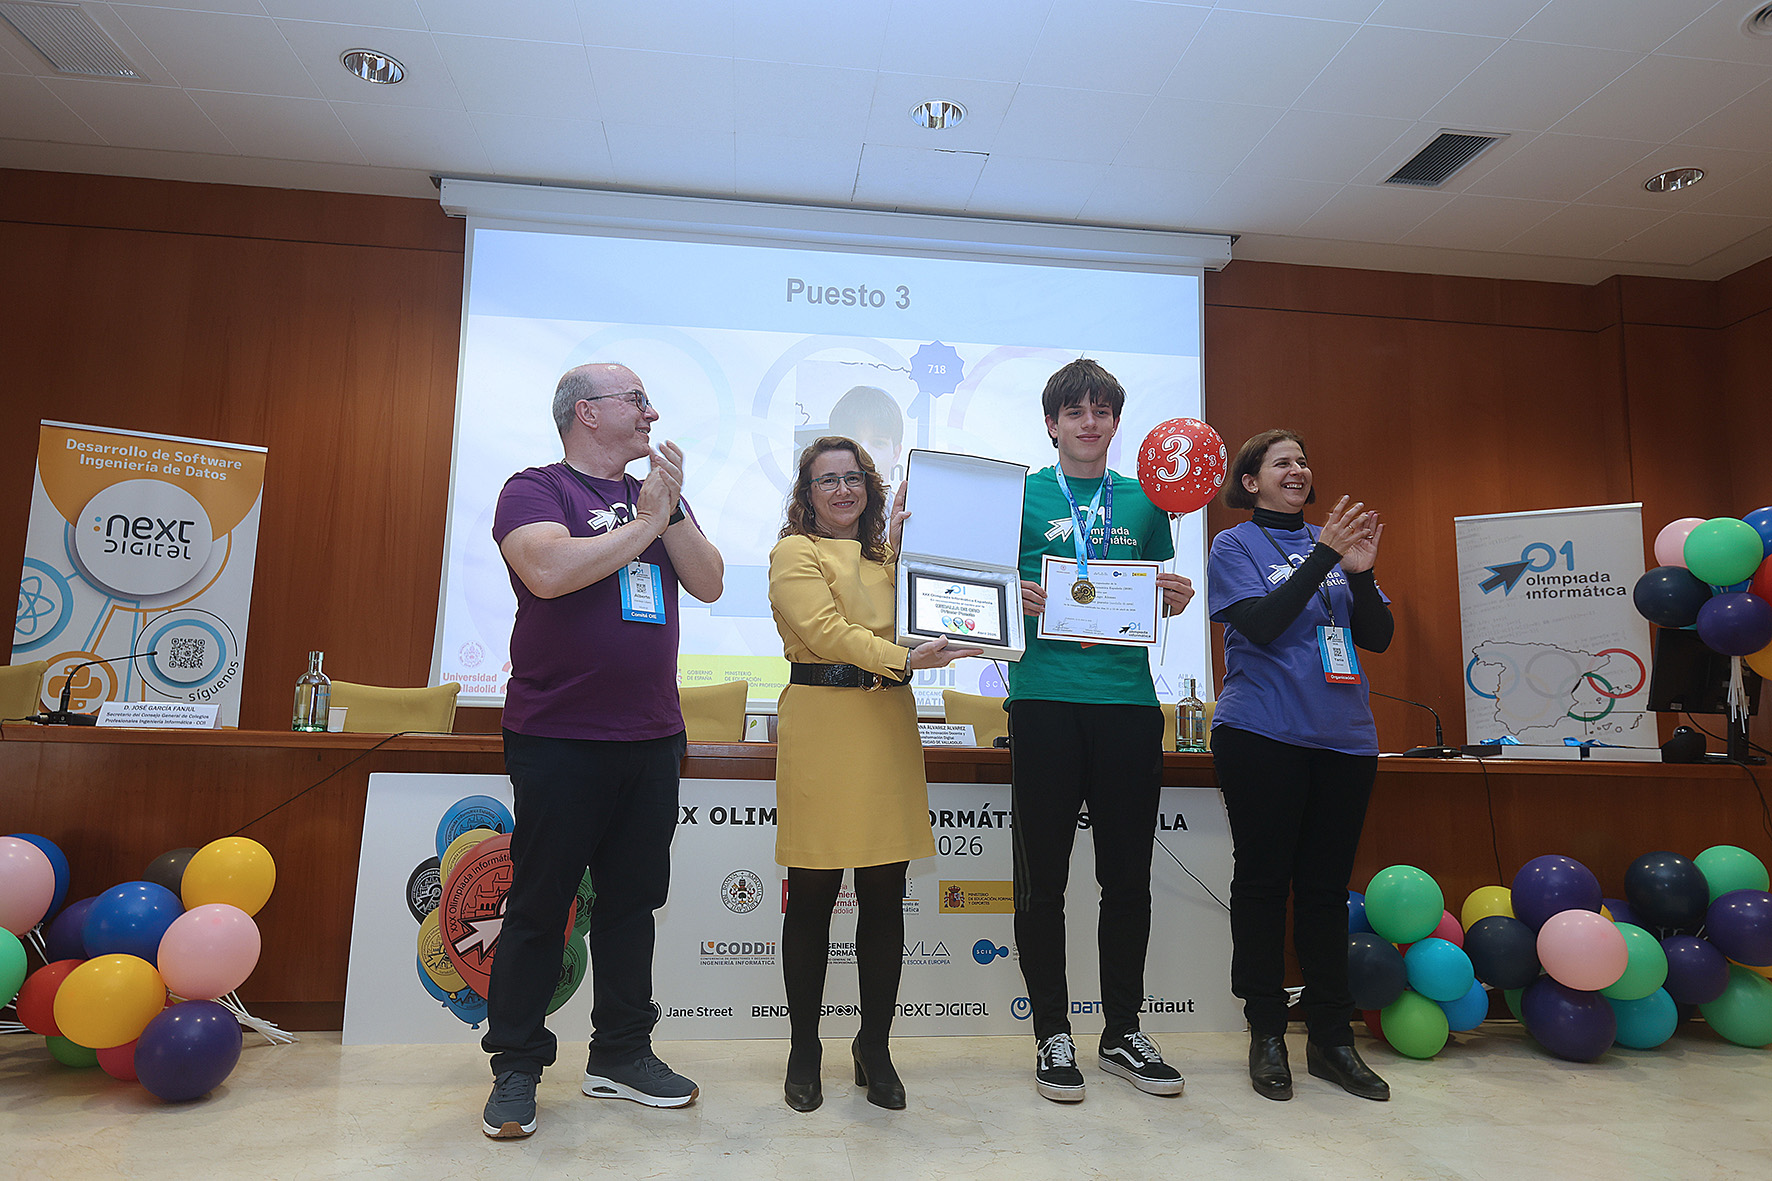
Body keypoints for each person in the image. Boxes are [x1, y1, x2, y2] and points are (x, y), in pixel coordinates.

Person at [480, 362, 724, 1139]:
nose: (652, 412)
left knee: (632, 904)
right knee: (540, 904)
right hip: (558, 735)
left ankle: (621, 1051)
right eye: (636, 400)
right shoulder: (536, 488)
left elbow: (710, 581)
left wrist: (666, 509)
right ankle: (516, 1064)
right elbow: (549, 571)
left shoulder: (657, 496)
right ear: (587, 411)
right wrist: (648, 520)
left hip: (651, 737)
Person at [767, 435, 980, 1113]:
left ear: (870, 487)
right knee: (812, 898)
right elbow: (826, 633)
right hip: (823, 723)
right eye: (826, 480)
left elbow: (937, 612)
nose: (841, 490)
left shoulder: (895, 561)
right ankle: (805, 1048)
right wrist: (907, 658)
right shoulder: (793, 552)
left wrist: (999, 606)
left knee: (885, 899)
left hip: (886, 723)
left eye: (852, 477)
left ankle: (874, 1045)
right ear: (807, 494)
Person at [1009, 358, 1196, 1103]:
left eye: (1102, 411)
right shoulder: (1019, 497)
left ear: (1116, 423)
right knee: (1043, 879)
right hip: (1044, 700)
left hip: (1126, 704)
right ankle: (1052, 1033)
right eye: (1075, 412)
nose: (1090, 423)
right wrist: (1009, 597)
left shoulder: (1149, 502)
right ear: (1052, 424)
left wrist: (1173, 598)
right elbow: (972, 591)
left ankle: (1122, 1029)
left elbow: (1155, 600)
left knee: (1126, 878)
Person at [1207, 428, 1393, 1103]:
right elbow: (1260, 622)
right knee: (1263, 881)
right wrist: (1323, 556)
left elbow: (1375, 636)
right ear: (1250, 481)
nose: (1299, 468)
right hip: (1261, 732)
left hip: (1344, 737)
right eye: (1282, 461)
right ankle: (1264, 1032)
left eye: (1304, 460)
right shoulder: (1234, 544)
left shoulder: (1337, 546)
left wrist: (1363, 572)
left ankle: (1331, 1039)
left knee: (1325, 890)